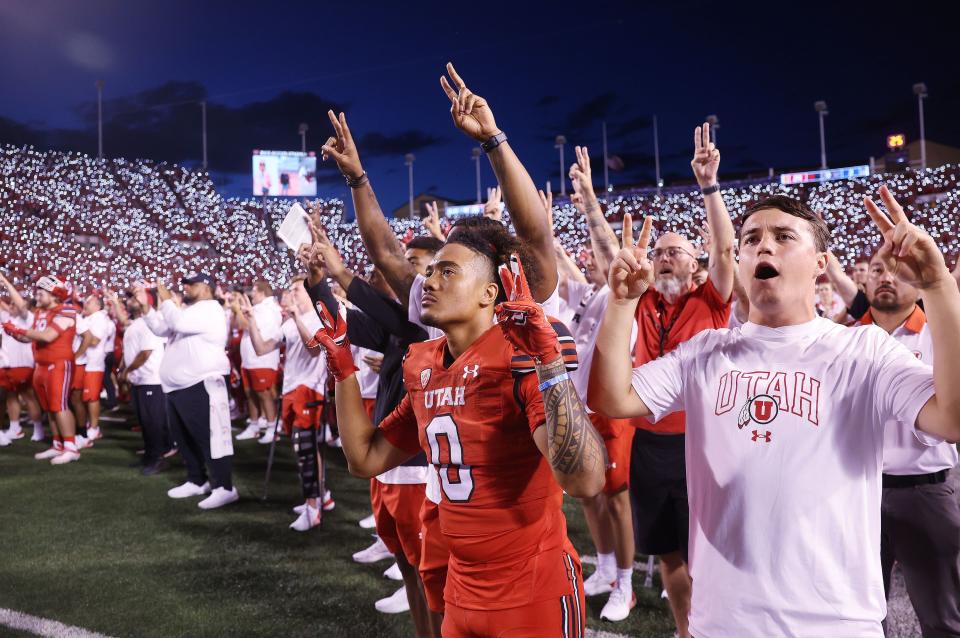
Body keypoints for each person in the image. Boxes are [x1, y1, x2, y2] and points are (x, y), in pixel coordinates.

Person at [591, 185, 960, 637]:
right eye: (750, 239)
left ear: (820, 265)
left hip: (834, 624)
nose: (763, 244)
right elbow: (613, 398)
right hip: (721, 623)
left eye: (784, 236)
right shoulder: (706, 352)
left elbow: (952, 418)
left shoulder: (862, 349)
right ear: (740, 263)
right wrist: (622, 304)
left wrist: (939, 287)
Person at [313, 213, 605, 637]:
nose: (429, 282)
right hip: (462, 590)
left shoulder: (519, 350)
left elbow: (584, 479)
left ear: (489, 293)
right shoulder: (424, 363)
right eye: (430, 272)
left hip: (532, 590)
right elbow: (365, 457)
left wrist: (550, 366)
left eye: (447, 272)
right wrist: (343, 369)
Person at [618, 123, 735, 638]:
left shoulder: (711, 298)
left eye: (676, 252)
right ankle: (686, 631)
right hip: (648, 442)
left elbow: (728, 253)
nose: (664, 256)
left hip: (701, 441)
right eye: (659, 251)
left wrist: (709, 186)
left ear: (696, 265)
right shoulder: (642, 299)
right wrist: (590, 210)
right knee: (668, 552)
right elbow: (609, 254)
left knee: (708, 554)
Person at [857, 252, 960, 635]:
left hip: (924, 490)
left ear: (915, 281)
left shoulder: (941, 333)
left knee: (942, 617)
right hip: (859, 491)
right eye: (876, 270)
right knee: (858, 613)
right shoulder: (844, 338)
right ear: (864, 282)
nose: (885, 277)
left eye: (895, 271)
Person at [562, 145, 639, 622]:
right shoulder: (589, 295)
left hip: (612, 408)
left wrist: (590, 200)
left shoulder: (623, 291)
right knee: (589, 493)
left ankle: (626, 585)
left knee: (617, 497)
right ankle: (607, 568)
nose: (592, 261)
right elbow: (556, 258)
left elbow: (607, 250)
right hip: (581, 406)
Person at [242, 277, 334, 530]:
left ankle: (313, 507)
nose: (290, 293)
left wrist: (296, 318)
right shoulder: (290, 321)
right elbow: (262, 348)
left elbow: (315, 349)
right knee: (303, 449)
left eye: (295, 289)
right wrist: (250, 319)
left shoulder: (318, 317)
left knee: (306, 449)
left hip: (310, 389)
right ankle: (321, 496)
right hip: (292, 388)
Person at [140, 273, 238, 510]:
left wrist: (164, 300)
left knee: (210, 436)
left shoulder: (211, 308)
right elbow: (162, 329)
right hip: (179, 385)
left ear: (206, 287)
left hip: (202, 382)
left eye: (191, 284)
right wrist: (146, 307)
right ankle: (197, 479)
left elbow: (177, 323)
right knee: (184, 437)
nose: (185, 287)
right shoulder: (189, 311)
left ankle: (224, 487)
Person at [2, 275, 80, 464]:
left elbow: (47, 336)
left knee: (60, 406)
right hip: (42, 365)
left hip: (59, 364)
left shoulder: (66, 311)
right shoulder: (40, 312)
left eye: (41, 292)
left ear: (55, 295)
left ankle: (71, 447)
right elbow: (30, 334)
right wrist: (15, 334)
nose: (37, 295)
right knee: (49, 407)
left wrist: (19, 330)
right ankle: (57, 444)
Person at [120, 288, 169, 475]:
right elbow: (131, 351)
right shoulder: (136, 323)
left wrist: (127, 370)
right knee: (145, 421)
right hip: (140, 379)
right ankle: (149, 456)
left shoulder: (149, 323)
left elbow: (146, 352)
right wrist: (124, 369)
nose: (129, 301)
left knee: (153, 422)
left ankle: (158, 459)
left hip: (152, 379)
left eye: (134, 298)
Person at [234, 280, 283, 443]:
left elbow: (245, 325)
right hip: (250, 359)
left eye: (254, 291)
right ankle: (254, 426)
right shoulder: (261, 308)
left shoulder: (268, 309)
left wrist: (237, 310)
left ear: (262, 293)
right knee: (250, 393)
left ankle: (271, 427)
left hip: (262, 359)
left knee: (265, 395)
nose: (251, 295)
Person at [0, 274, 44, 443]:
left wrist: (5, 282)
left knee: (28, 397)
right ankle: (14, 427)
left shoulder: (28, 319)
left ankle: (38, 429)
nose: (11, 306)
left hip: (24, 364)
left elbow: (19, 303)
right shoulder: (8, 318)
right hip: (8, 365)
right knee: (10, 397)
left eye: (13, 304)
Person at [77, 293, 112, 442]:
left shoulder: (99, 318)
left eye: (89, 302)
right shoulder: (90, 318)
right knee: (83, 398)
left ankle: (94, 428)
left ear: (97, 305)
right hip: (86, 363)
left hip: (94, 363)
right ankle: (88, 425)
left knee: (92, 398)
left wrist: (81, 336)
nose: (86, 304)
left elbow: (95, 340)